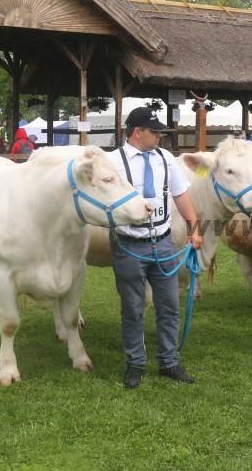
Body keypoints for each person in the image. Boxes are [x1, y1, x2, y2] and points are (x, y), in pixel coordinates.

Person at [107, 107, 203, 388]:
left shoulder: (166, 159)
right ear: (138, 132)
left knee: (169, 305)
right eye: (155, 131)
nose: (160, 136)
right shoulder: (113, 161)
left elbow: (180, 195)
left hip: (163, 242)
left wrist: (195, 229)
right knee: (133, 308)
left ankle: (169, 361)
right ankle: (135, 363)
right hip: (128, 245)